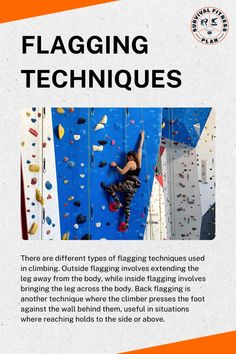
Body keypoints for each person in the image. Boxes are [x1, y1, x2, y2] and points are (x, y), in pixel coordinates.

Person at [101, 131, 145, 232]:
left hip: (128, 184)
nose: (126, 159)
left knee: (110, 188)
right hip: (134, 188)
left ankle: (117, 203)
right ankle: (126, 222)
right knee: (127, 204)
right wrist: (142, 137)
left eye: (127, 157)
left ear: (131, 157)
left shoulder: (131, 162)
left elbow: (122, 172)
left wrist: (115, 165)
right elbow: (139, 148)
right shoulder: (139, 162)